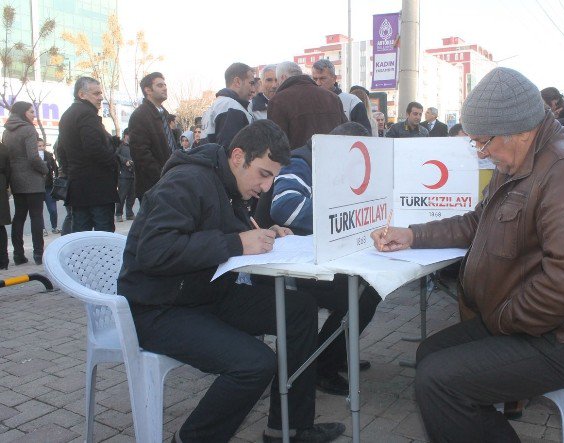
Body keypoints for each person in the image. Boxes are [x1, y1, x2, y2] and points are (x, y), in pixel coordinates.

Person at [371, 67, 564, 442]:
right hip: (528, 319)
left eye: (483, 142)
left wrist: (503, 317)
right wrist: (412, 235)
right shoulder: (522, 161)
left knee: (440, 381)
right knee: (430, 355)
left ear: (520, 129)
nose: (481, 153)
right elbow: (477, 222)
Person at [117, 120, 345, 443]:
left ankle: (289, 428)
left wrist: (267, 235)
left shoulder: (228, 184)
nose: (267, 188)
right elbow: (154, 251)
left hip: (205, 294)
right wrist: (238, 243)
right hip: (158, 308)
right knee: (255, 363)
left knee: (298, 308)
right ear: (238, 156)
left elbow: (228, 232)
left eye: (273, 178)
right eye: (264, 175)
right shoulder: (186, 181)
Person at [266, 122, 382, 396]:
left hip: (318, 258)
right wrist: (347, 209)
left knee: (370, 288)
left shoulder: (320, 160)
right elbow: (286, 208)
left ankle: (332, 354)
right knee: (359, 295)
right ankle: (323, 365)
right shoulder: (301, 162)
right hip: (291, 265)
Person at [59, 76, 118, 232]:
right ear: (82, 94)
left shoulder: (67, 115)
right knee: (103, 237)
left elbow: (61, 150)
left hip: (78, 185)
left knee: (80, 236)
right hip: (97, 187)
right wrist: (114, 161)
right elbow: (94, 148)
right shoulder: (87, 114)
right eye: (96, 93)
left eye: (100, 93)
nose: (101, 97)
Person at [2, 101, 47, 265]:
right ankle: (38, 253)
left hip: (15, 178)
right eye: (31, 111)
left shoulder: (7, 131)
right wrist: (45, 169)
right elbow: (34, 157)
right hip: (32, 178)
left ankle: (18, 255)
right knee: (36, 215)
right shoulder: (28, 129)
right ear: (22, 112)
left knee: (19, 216)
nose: (33, 114)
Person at [268, 61, 347, 149]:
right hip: (331, 158)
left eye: (277, 80)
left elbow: (276, 145)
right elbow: (346, 133)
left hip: (296, 161)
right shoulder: (332, 97)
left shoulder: (278, 101)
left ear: (283, 77)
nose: (275, 85)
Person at [128, 72, 176, 202]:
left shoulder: (163, 115)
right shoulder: (140, 115)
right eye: (160, 85)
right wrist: (161, 175)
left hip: (170, 182)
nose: (165, 88)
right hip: (153, 186)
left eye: (165, 85)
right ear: (148, 90)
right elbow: (140, 154)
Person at [201, 62, 256, 149]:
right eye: (251, 83)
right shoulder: (231, 107)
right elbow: (231, 152)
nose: (253, 89)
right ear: (237, 82)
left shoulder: (217, 105)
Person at [311, 59, 372, 134]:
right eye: (315, 79)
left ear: (334, 79)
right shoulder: (308, 102)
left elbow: (365, 136)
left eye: (322, 78)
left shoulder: (353, 102)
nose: (318, 83)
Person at [38, 138, 59, 234]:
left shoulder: (49, 156)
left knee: (53, 209)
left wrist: (56, 178)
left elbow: (56, 169)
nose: (42, 148)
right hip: (37, 187)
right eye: (39, 146)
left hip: (49, 186)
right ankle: (42, 229)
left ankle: (54, 227)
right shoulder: (33, 157)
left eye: (43, 145)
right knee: (38, 211)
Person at [116, 129, 136, 222]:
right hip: (123, 174)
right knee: (122, 196)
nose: (130, 137)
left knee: (132, 196)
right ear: (125, 135)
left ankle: (129, 213)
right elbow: (116, 155)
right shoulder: (120, 145)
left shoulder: (133, 146)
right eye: (129, 135)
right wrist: (125, 161)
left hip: (133, 174)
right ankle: (119, 214)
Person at [0, 139, 10, 269]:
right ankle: (3, 261)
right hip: (1, 185)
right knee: (0, 226)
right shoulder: (3, 148)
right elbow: (8, 170)